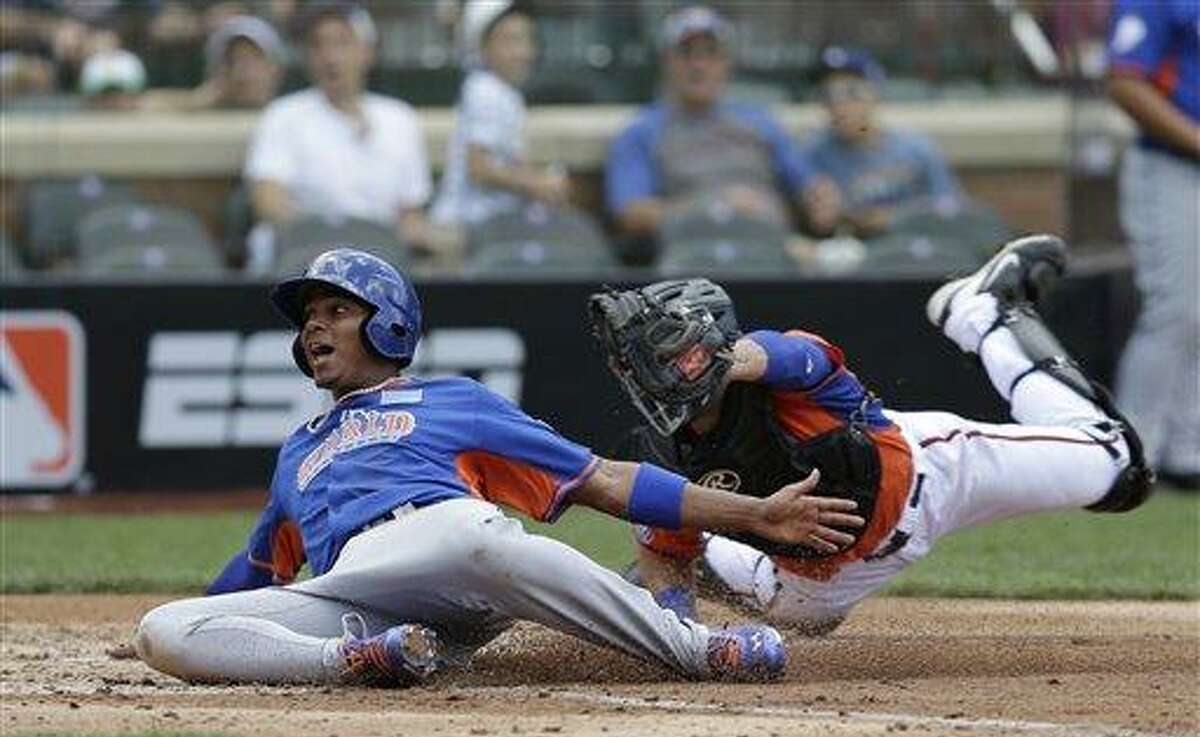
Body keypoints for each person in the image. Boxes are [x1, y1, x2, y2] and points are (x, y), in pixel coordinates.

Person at [134, 248, 866, 686]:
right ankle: (360, 662)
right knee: (163, 630)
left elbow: (604, 481)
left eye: (333, 309)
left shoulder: (451, 399)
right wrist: (211, 609)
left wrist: (755, 514)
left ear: (387, 323)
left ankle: (699, 650)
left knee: (479, 541)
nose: (313, 328)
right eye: (308, 320)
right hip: (363, 597)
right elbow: (257, 569)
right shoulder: (298, 449)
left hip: (451, 545)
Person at [590, 235, 1153, 632]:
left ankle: (982, 314)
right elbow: (666, 548)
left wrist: (727, 359)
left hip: (939, 478)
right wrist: (681, 632)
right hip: (811, 587)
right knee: (802, 619)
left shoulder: (782, 371)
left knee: (1120, 469)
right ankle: (681, 575)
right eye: (646, 359)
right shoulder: (657, 457)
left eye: (673, 354)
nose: (655, 370)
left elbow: (797, 356)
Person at [242, 2, 456, 270]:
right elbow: (268, 201)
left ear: (368, 51)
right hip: (306, 260)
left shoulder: (400, 118)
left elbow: (410, 213)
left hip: (380, 263)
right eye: (318, 45)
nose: (329, 57)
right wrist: (332, 243)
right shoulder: (284, 115)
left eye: (342, 43)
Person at [604, 5, 829, 243]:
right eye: (687, 53)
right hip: (694, 254)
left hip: (773, 249)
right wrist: (714, 205)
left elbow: (807, 182)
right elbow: (630, 214)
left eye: (711, 53)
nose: (699, 65)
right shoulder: (643, 130)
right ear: (667, 62)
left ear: (726, 63)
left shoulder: (759, 122)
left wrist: (819, 198)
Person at [1106, 0, 1200, 490]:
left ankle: (1188, 454)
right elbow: (1124, 82)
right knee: (1176, 309)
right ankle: (1129, 453)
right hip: (1171, 165)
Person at [798, 45, 963, 239]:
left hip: (915, 251)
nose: (840, 106)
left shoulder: (914, 148)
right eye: (828, 95)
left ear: (875, 94)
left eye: (852, 93)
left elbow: (950, 208)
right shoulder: (813, 154)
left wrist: (894, 217)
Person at [430, 0, 569, 228]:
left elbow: (509, 163)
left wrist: (541, 181)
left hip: (493, 223)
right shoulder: (484, 90)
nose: (524, 52)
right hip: (465, 227)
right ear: (482, 47)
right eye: (511, 41)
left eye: (528, 40)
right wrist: (537, 184)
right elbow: (479, 168)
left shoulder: (504, 93)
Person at [141, 15, 286, 111]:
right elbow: (139, 105)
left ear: (276, 67)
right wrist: (196, 101)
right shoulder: (203, 115)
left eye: (254, 58)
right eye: (232, 61)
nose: (243, 70)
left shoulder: (298, 112)